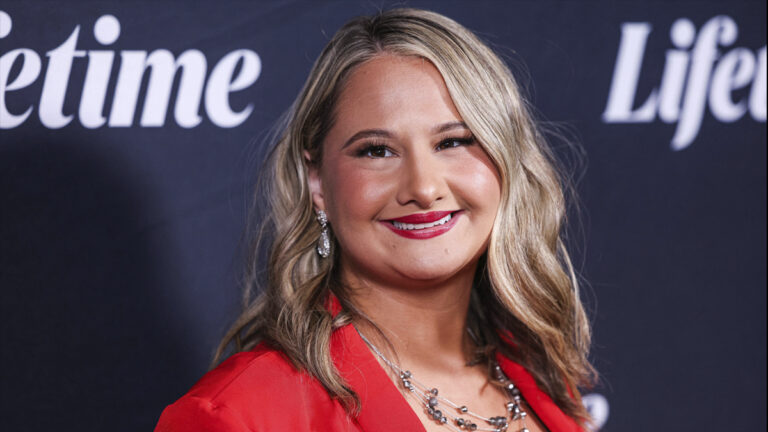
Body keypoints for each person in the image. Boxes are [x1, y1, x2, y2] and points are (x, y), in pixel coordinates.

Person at [155, 8, 595, 432]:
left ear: (506, 163)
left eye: (455, 141)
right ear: (317, 183)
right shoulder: (237, 415)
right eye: (376, 151)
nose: (423, 188)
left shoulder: (543, 380)